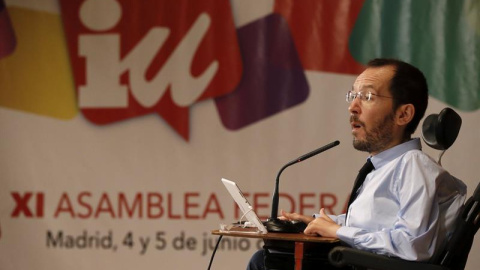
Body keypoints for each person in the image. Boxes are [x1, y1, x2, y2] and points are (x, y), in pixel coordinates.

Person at [247, 58, 467, 269]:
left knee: (264, 261)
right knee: (268, 258)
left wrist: (338, 231)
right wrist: (315, 222)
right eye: (353, 95)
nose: (352, 107)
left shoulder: (414, 166)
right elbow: (375, 223)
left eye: (368, 96)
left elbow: (412, 245)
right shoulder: (385, 166)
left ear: (403, 114)